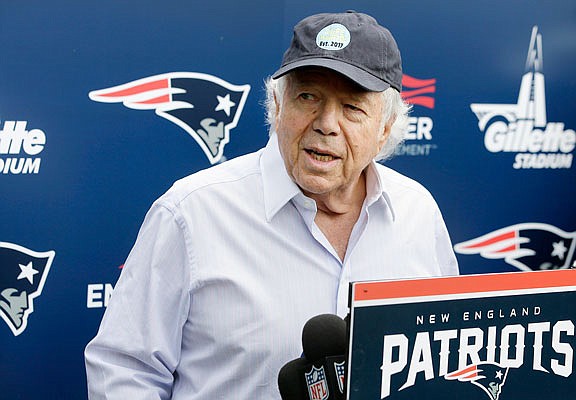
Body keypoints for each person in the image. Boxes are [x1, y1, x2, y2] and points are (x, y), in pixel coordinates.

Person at [85, 10, 458, 399]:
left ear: (384, 130)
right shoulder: (190, 214)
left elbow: (445, 359)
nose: (326, 123)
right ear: (278, 108)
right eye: (308, 96)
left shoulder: (418, 213)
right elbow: (124, 372)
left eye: (352, 107)